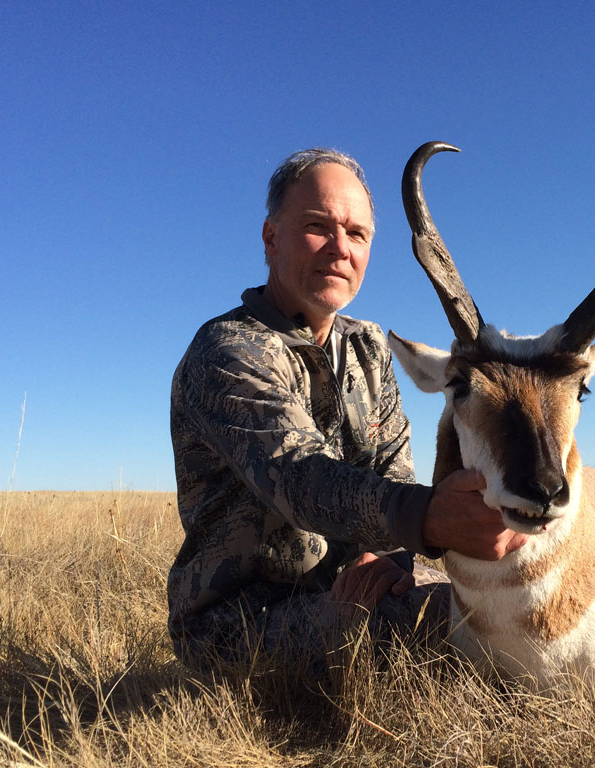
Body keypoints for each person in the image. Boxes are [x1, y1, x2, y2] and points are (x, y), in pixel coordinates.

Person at [167, 148, 527, 672]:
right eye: (318, 226)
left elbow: (392, 468)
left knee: (499, 599)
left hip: (360, 580)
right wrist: (427, 518)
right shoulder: (229, 350)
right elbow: (299, 477)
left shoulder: (369, 348)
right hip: (239, 620)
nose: (340, 249)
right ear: (271, 238)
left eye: (357, 234)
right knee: (466, 629)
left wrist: (392, 559)